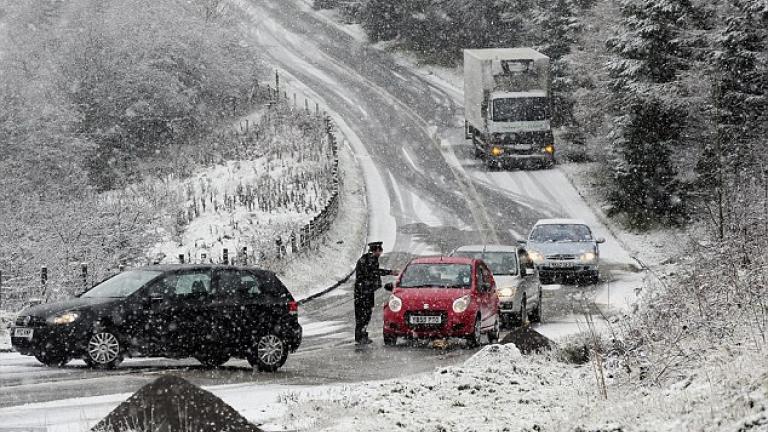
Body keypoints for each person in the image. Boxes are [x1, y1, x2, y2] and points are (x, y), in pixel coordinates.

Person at [354, 241, 397, 345]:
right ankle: (360, 336)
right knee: (364, 314)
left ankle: (361, 335)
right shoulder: (369, 260)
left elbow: (373, 271)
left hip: (364, 291)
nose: (381, 253)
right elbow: (374, 271)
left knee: (364, 314)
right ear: (376, 250)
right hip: (364, 292)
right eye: (380, 250)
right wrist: (390, 272)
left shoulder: (368, 259)